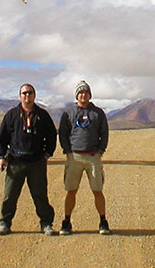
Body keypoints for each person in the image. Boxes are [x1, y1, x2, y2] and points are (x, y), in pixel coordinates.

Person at [0, 83, 57, 236]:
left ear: (34, 95)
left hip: (37, 162)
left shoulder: (42, 115)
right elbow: (2, 137)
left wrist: (47, 154)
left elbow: (51, 136)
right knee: (10, 195)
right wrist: (1, 157)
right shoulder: (12, 115)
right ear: (20, 96)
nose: (27, 96)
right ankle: (5, 223)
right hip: (15, 161)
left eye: (30, 93)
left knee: (40, 195)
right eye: (24, 93)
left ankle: (46, 223)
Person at [58, 80, 110, 235]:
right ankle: (66, 222)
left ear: (90, 94)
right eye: (80, 92)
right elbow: (63, 134)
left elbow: (104, 133)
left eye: (86, 92)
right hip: (75, 157)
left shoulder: (98, 113)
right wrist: (67, 151)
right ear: (76, 95)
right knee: (71, 190)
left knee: (97, 190)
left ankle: (103, 221)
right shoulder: (69, 113)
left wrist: (101, 151)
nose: (83, 95)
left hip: (93, 157)